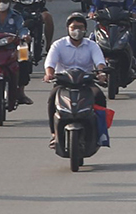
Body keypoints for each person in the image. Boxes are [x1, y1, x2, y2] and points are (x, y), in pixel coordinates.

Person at [44, 12, 110, 144]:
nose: (77, 30)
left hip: (86, 82)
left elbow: (100, 62)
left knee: (99, 97)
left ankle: (100, 132)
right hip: (64, 83)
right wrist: (49, 74)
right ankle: (54, 133)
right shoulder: (58, 45)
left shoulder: (92, 45)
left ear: (85, 29)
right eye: (73, 27)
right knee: (52, 99)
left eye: (80, 27)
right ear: (68, 29)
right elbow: (50, 63)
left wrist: (101, 74)